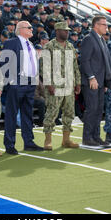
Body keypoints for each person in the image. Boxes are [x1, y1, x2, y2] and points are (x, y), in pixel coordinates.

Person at [0, 20, 43, 154]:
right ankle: (10, 144)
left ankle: (28, 142)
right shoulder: (11, 43)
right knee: (11, 114)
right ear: (21, 29)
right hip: (16, 83)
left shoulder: (30, 44)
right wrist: (11, 81)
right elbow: (4, 64)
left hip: (30, 83)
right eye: (29, 27)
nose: (32, 29)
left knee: (27, 114)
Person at [40, 21, 81, 150]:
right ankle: (48, 140)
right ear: (57, 31)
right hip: (55, 86)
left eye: (68, 30)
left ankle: (66, 140)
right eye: (64, 30)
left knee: (69, 113)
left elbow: (75, 66)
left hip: (69, 86)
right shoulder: (49, 46)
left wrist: (78, 82)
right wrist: (49, 84)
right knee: (52, 112)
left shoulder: (70, 46)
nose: (67, 32)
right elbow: (44, 68)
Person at [79, 15, 111, 146]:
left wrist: (107, 82)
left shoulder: (101, 40)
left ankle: (96, 136)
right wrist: (91, 77)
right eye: (104, 25)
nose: (106, 27)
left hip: (100, 82)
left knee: (99, 109)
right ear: (96, 25)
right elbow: (85, 61)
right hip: (92, 81)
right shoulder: (89, 39)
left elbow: (105, 63)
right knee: (92, 109)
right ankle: (87, 137)